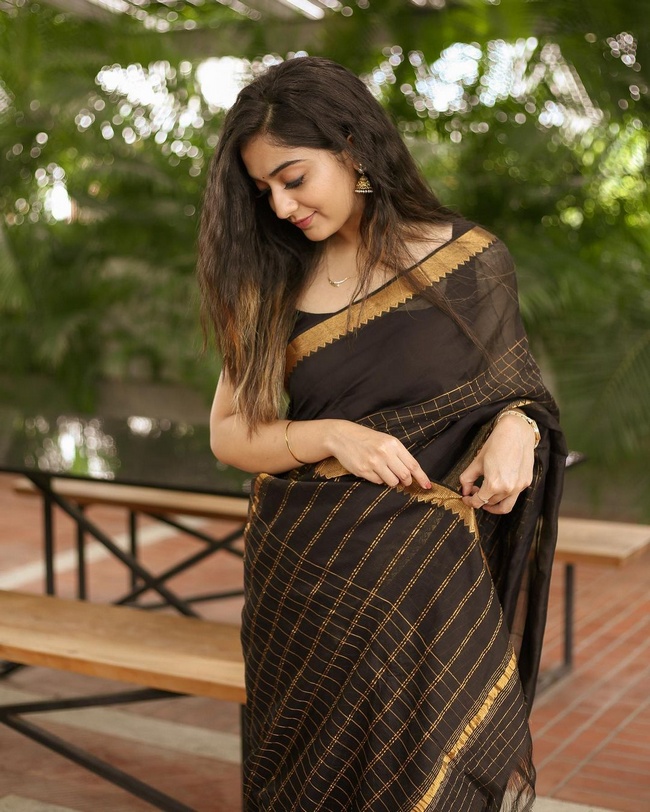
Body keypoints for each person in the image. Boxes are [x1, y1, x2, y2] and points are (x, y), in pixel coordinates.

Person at [198, 56, 566, 812]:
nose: (281, 206)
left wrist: (518, 427)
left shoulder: (471, 261)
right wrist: (333, 434)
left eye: (293, 178)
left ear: (352, 146)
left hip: (427, 594)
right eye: (264, 190)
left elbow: (514, 393)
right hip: (307, 585)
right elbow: (231, 434)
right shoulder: (269, 277)